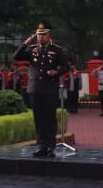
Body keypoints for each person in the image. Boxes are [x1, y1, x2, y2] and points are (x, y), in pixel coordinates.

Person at [14, 23, 69, 157]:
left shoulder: (56, 50)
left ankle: (51, 146)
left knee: (50, 118)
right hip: (35, 89)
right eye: (38, 35)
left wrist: (56, 72)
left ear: (49, 36)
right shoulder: (31, 49)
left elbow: (66, 67)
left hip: (49, 88)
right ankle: (41, 146)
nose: (40, 37)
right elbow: (16, 56)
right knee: (39, 119)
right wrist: (27, 41)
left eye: (43, 34)